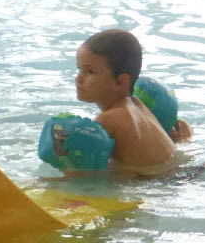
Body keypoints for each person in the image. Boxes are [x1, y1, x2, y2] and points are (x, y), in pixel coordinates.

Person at [71, 28, 185, 171]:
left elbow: (78, 172)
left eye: (90, 72)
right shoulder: (138, 106)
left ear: (121, 82)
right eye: (79, 68)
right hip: (180, 172)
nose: (78, 78)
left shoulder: (109, 119)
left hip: (159, 184)